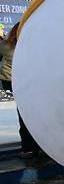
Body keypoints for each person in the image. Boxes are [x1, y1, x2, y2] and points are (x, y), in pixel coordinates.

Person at [0, 22, 41, 159]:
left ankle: (28, 148)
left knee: (23, 113)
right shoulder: (32, 46)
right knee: (34, 114)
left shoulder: (5, 45)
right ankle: (39, 147)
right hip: (28, 82)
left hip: (11, 81)